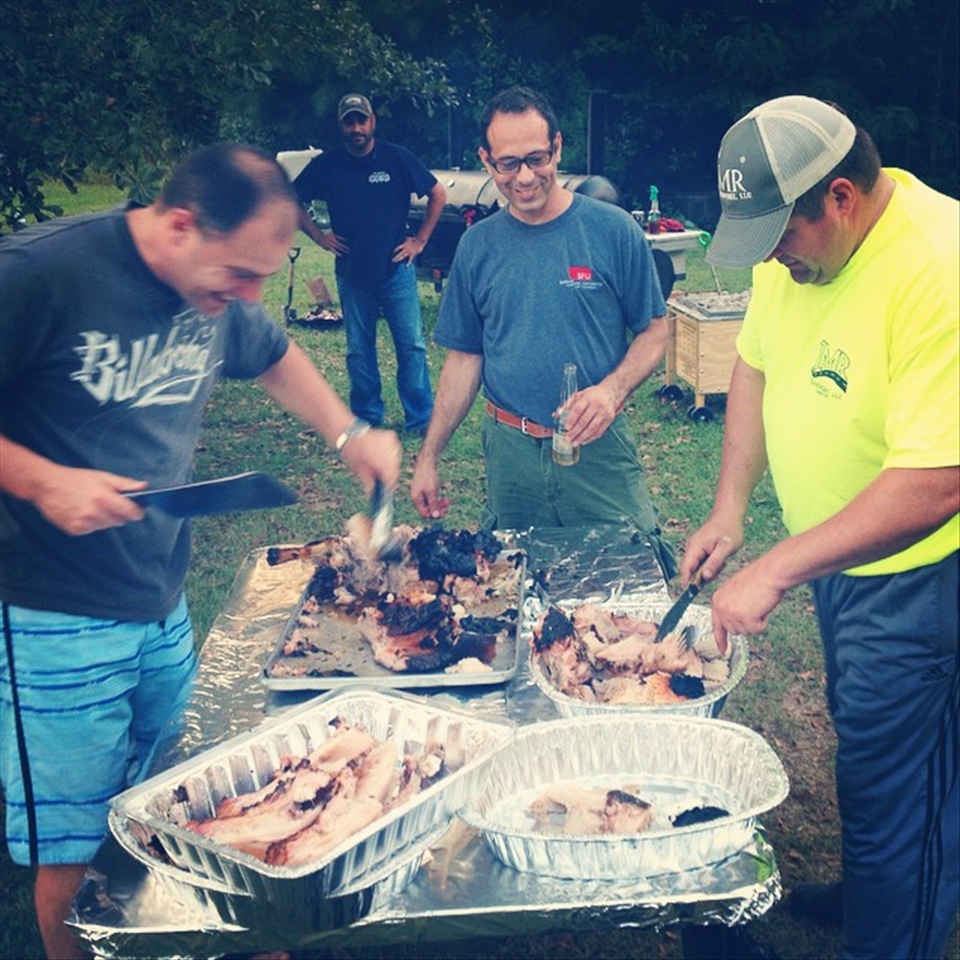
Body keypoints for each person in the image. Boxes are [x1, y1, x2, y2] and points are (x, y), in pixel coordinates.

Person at [0, 143, 401, 960]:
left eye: (263, 275)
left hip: (159, 597)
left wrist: (348, 431)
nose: (250, 299)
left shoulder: (218, 288)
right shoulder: (42, 274)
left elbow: (275, 353)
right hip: (51, 616)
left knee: (186, 805)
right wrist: (42, 481)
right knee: (75, 854)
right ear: (180, 224)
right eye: (241, 276)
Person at [682, 96, 958, 959]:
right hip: (844, 559)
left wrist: (776, 568)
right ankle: (885, 875)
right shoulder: (791, 252)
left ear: (838, 197)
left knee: (900, 779)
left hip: (923, 574)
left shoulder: (938, 267)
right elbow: (755, 369)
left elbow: (938, 481)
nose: (770, 258)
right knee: (875, 750)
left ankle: (896, 917)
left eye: (779, 237)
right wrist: (732, 506)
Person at [409, 85, 675, 575]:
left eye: (537, 158)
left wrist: (611, 392)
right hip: (510, 454)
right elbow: (465, 358)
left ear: (557, 147)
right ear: (486, 161)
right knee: (516, 586)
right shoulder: (477, 246)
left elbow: (654, 330)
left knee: (625, 577)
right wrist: (429, 455)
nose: (525, 177)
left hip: (597, 446)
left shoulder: (612, 231)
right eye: (508, 164)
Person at [293, 93, 445, 435]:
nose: (356, 128)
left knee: (412, 346)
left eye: (362, 120)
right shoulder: (327, 165)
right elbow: (290, 198)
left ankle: (421, 419)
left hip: (396, 271)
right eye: (350, 121)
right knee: (359, 351)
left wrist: (419, 241)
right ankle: (366, 416)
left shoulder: (395, 158)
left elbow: (438, 193)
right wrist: (320, 237)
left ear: (372, 122)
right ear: (341, 125)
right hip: (351, 273)